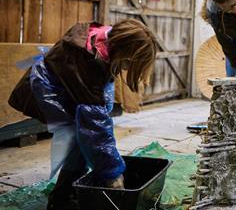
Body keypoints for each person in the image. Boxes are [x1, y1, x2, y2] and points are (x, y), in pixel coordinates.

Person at [8, 19, 157, 209]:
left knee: (84, 139)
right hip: (48, 92)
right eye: (129, 63)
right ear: (124, 51)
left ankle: (70, 191)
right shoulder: (88, 64)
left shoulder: (103, 38)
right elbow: (96, 129)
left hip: (59, 86)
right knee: (80, 141)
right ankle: (61, 199)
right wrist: (112, 173)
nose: (127, 68)